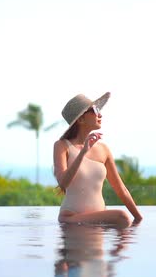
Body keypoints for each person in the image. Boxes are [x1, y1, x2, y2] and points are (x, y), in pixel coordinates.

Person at [53, 92, 143, 228]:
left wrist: (139, 219)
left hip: (98, 221)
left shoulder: (103, 149)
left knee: (123, 219)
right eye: (95, 110)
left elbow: (121, 189)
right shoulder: (62, 146)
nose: (100, 114)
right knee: (122, 217)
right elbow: (63, 183)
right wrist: (83, 152)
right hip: (71, 217)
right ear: (81, 120)